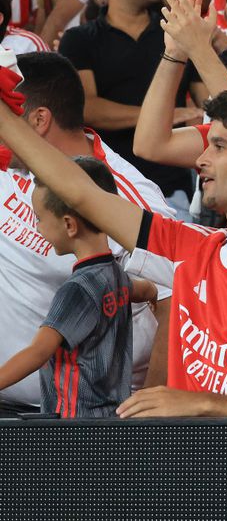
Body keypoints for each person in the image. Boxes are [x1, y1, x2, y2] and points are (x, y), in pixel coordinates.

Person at [0, 74, 227, 417]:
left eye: (219, 146)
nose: (201, 160)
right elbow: (80, 193)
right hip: (182, 467)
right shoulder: (190, 246)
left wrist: (204, 403)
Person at [0, 52, 177, 414]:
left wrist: (150, 420)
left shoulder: (130, 199)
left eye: (7, 117)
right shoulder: (10, 164)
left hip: (88, 418)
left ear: (38, 120)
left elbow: (174, 301)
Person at [57, 0, 207, 210]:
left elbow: (207, 103)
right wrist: (166, 116)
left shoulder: (177, 31)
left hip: (173, 191)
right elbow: (86, 108)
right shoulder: (79, 39)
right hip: (106, 190)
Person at [0, 157, 156, 418]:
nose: (38, 228)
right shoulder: (115, 274)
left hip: (73, 425)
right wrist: (151, 293)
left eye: (39, 219)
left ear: (69, 225)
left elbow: (38, 351)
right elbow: (145, 290)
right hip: (111, 418)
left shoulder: (77, 290)